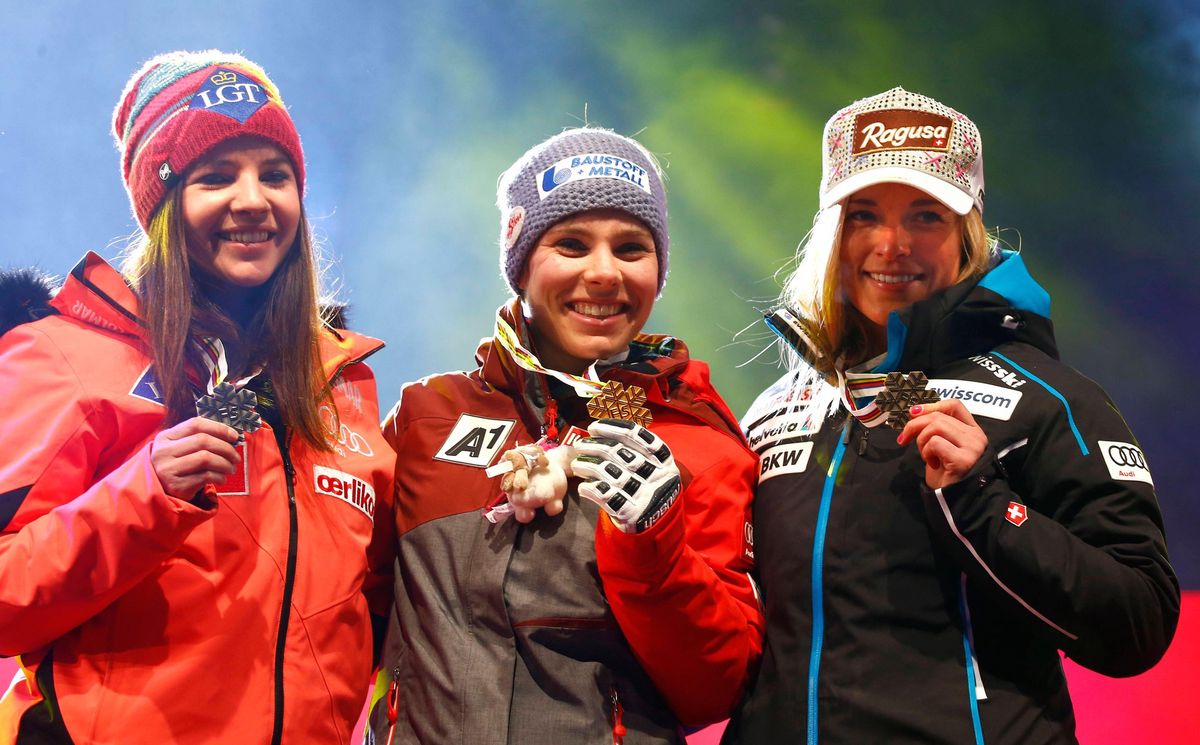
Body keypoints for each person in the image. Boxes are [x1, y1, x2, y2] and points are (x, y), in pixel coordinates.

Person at [723, 87, 1180, 744]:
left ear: (968, 232)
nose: (891, 243)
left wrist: (983, 499)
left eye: (926, 215)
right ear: (831, 233)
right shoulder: (776, 407)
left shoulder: (1047, 399)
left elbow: (1139, 622)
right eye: (862, 215)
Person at [0, 50, 395, 744]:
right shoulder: (64, 358)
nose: (253, 199)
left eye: (275, 175)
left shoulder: (340, 388)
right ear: (163, 203)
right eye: (216, 176)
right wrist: (145, 492)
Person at [370, 127, 763, 744]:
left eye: (632, 249)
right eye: (572, 244)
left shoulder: (698, 443)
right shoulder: (428, 416)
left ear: (659, 272)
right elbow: (340, 615)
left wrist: (653, 546)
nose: (604, 273)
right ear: (520, 262)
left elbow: (716, 690)